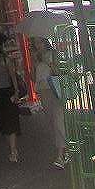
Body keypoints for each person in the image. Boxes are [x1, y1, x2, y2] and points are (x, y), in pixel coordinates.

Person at [34, 38, 67, 169]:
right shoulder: (36, 57)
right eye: (36, 42)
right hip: (43, 92)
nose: (38, 45)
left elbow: (59, 73)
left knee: (58, 121)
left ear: (45, 42)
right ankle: (65, 149)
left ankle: (60, 155)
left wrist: (49, 63)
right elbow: (34, 78)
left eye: (40, 42)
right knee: (52, 122)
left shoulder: (53, 54)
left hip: (54, 90)